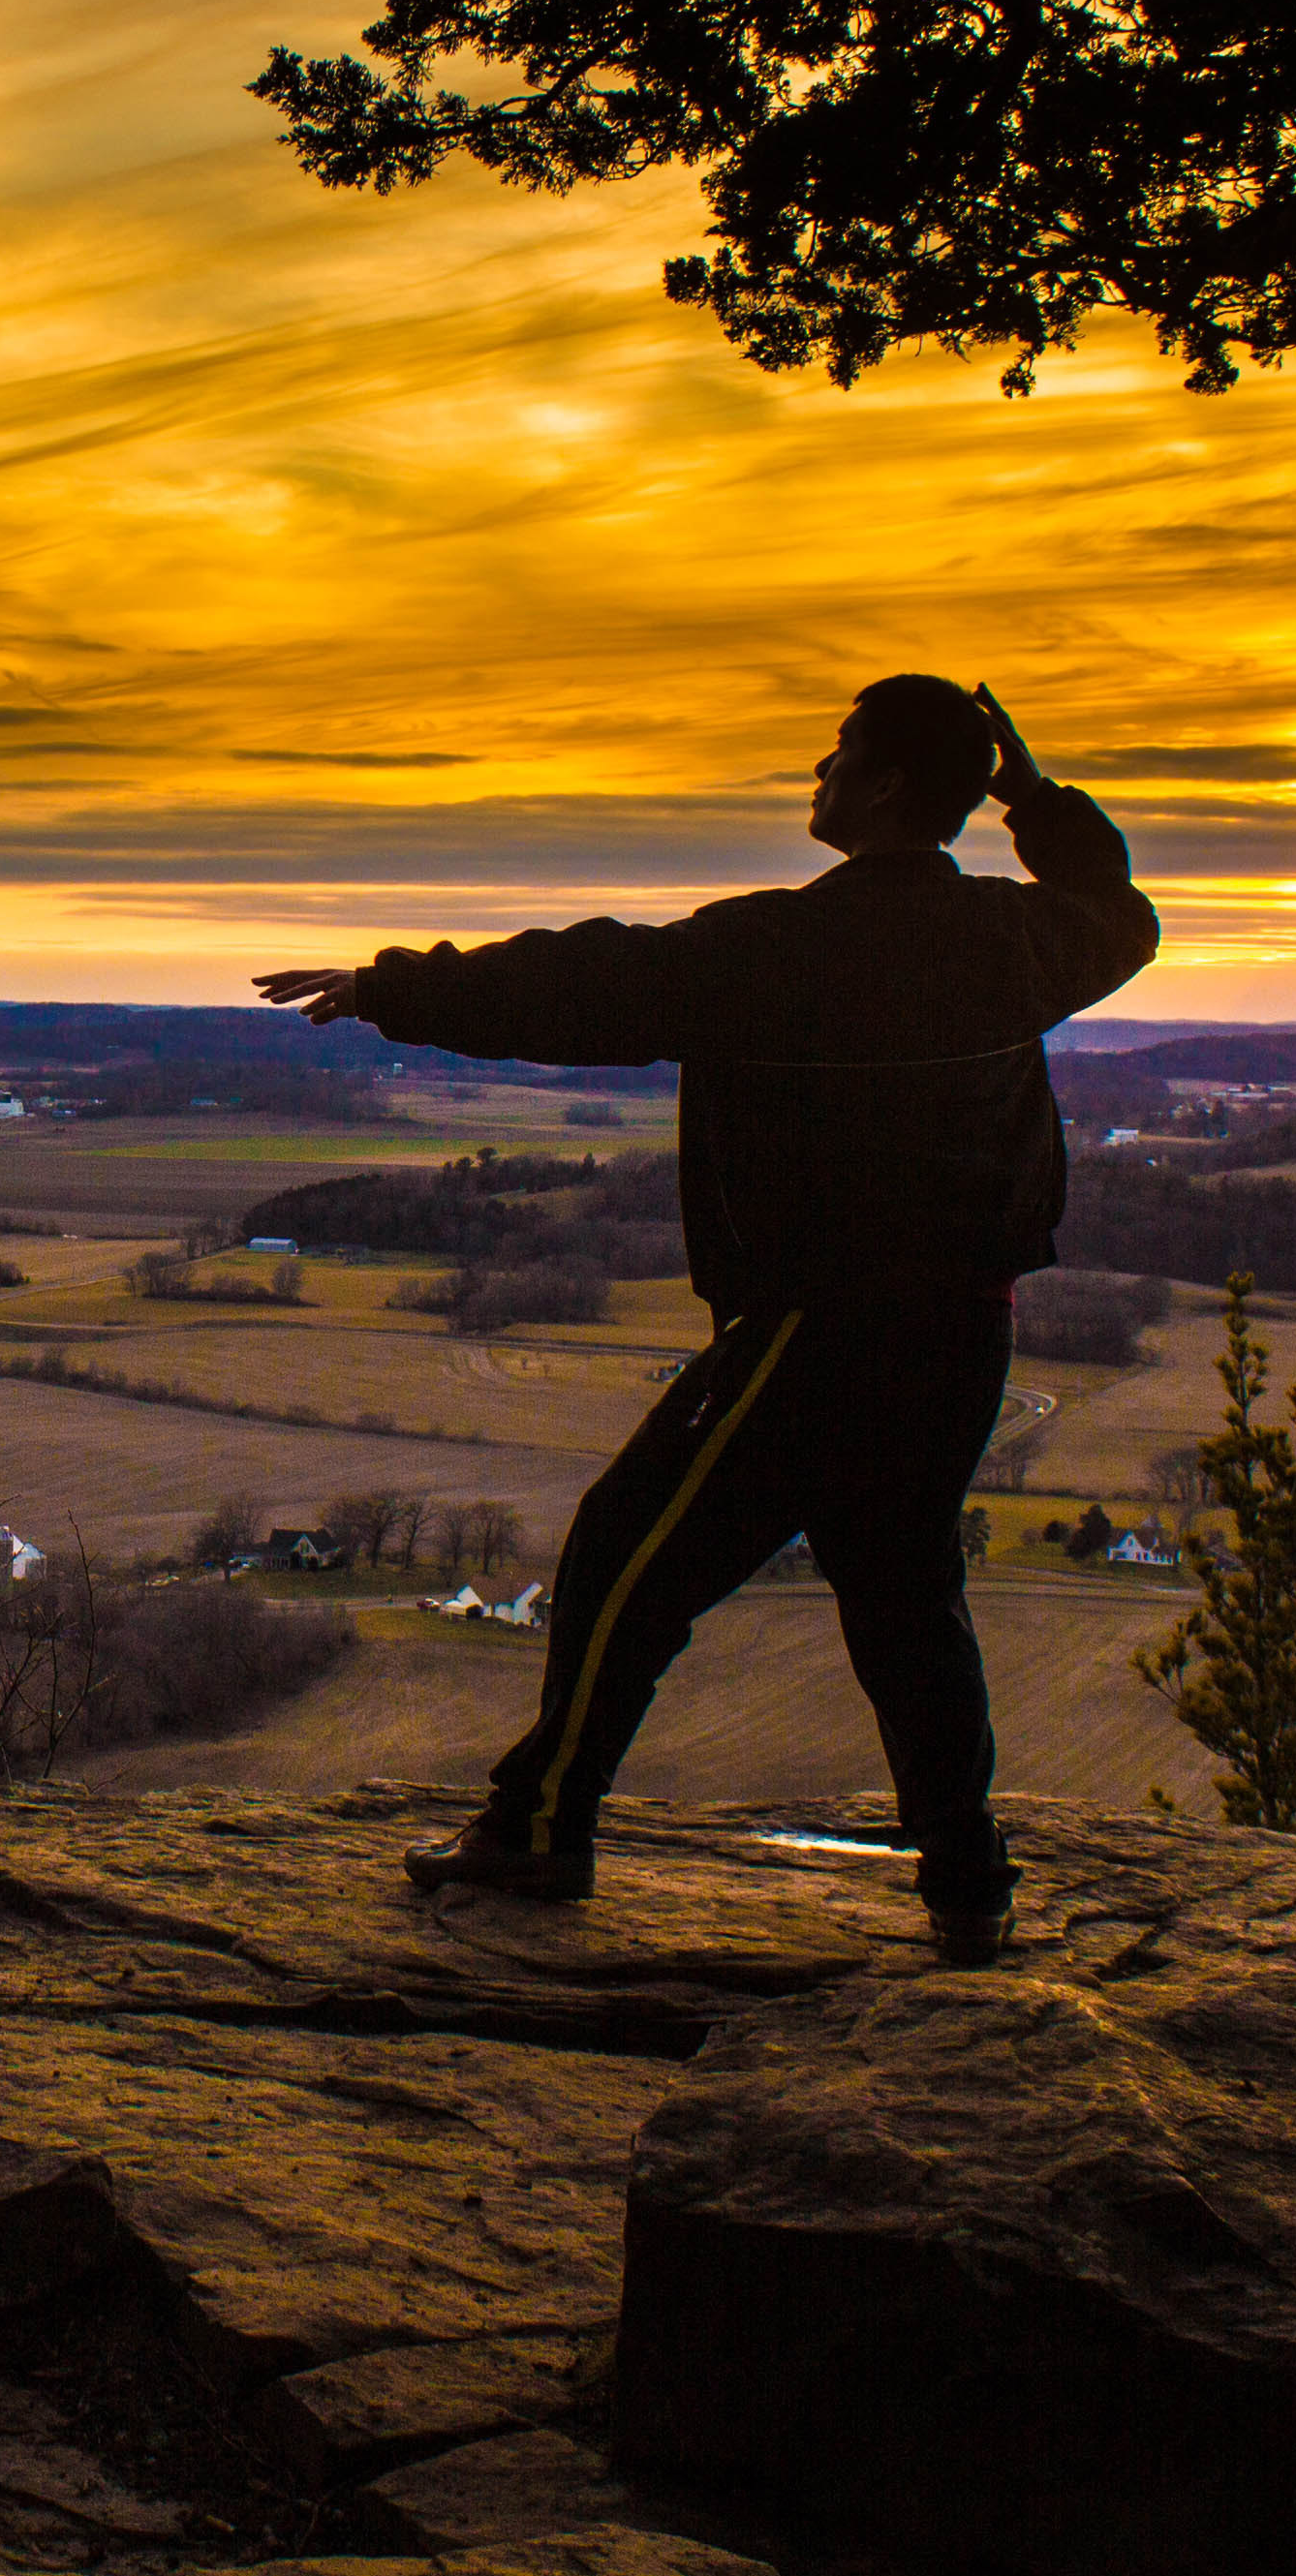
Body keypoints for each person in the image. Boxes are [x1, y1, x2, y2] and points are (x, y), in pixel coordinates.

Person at [256, 677, 1156, 1964]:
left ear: (888, 786)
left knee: (630, 1555)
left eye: (840, 758)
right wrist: (1028, 797)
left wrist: (387, 988)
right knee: (904, 1594)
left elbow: (584, 986)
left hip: (821, 1328)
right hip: (966, 1328)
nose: (818, 775)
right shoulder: (1018, 943)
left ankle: (537, 1829)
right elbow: (1119, 910)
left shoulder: (780, 950)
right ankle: (967, 1885)